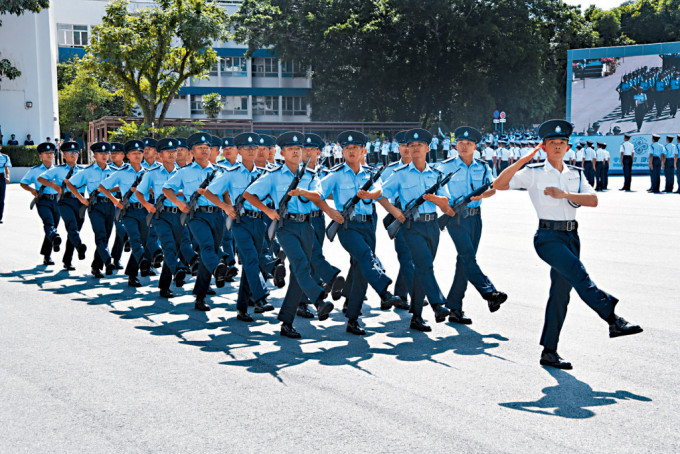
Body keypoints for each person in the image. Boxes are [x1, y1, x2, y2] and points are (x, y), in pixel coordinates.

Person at [493, 119, 643, 369]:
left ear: (568, 146)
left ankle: (549, 352)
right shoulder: (533, 173)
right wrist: (523, 160)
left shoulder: (576, 174)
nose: (558, 147)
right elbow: (499, 185)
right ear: (544, 146)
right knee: (579, 274)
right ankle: (613, 318)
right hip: (548, 238)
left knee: (561, 294)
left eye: (562, 143)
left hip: (572, 237)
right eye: (553, 143)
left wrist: (565, 195)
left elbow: (593, 200)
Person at [243, 131, 335, 338]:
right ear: (282, 153)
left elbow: (319, 195)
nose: (296, 152)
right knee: (301, 265)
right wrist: (267, 211)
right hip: (286, 227)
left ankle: (286, 322)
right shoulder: (274, 175)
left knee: (298, 276)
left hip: (307, 226)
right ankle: (320, 301)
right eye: (291, 149)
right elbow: (248, 194)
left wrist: (302, 192)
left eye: (299, 149)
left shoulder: (310, 175)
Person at [379, 128, 455, 331]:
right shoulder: (399, 174)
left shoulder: (437, 175)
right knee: (424, 265)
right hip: (411, 227)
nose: (415, 149)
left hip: (432, 225)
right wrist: (396, 212)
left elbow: (448, 205)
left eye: (419, 145)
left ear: (428, 148)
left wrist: (436, 199)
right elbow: (381, 195)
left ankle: (417, 317)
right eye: (411, 146)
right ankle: (438, 304)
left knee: (424, 268)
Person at [437, 126, 507, 324]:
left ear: (476, 146)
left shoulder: (483, 166)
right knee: (467, 256)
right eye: (460, 143)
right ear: (456, 145)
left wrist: (481, 195)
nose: (464, 147)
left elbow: (492, 189)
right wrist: (448, 205)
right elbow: (440, 190)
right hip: (456, 217)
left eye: (468, 144)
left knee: (465, 261)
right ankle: (489, 292)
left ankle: (454, 307)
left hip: (476, 217)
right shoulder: (446, 166)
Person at [203, 132, 274, 320]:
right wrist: (226, 206)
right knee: (250, 259)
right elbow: (209, 193)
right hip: (240, 221)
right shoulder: (231, 174)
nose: (251, 151)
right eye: (246, 148)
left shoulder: (265, 174)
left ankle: (242, 308)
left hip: (260, 221)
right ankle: (260, 298)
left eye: (253, 148)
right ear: (239, 151)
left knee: (252, 263)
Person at [163, 133, 227, 312]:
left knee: (211, 252)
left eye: (207, 147)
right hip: (197, 215)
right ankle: (218, 269)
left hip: (217, 215)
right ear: (192, 151)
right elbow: (167, 189)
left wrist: (229, 208)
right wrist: (180, 205)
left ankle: (200, 295)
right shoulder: (184, 172)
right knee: (206, 246)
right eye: (200, 148)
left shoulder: (219, 171)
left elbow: (226, 193)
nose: (205, 150)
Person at [99, 140, 152, 288]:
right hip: (129, 211)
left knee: (144, 241)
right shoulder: (120, 174)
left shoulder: (148, 174)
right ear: (128, 155)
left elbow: (155, 190)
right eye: (134, 153)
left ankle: (132, 272)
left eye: (140, 153)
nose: (138, 156)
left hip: (145, 211)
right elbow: (102, 187)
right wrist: (115, 201)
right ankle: (140, 265)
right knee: (135, 239)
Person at [65, 142, 116, 278]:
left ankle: (96, 266)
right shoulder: (87, 171)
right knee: (101, 236)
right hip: (95, 206)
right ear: (94, 156)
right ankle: (108, 261)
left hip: (110, 206)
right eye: (101, 153)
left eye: (106, 153)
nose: (105, 156)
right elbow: (70, 183)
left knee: (107, 236)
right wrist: (82, 199)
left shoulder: (113, 171)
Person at [379, 131, 414, 310]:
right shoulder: (389, 170)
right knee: (407, 257)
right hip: (398, 217)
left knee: (410, 257)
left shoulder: (421, 168)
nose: (407, 150)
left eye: (410, 146)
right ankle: (414, 293)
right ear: (398, 148)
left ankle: (401, 295)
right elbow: (382, 196)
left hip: (416, 219)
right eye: (403, 146)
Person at [37, 141, 86, 270]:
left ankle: (67, 260)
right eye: (70, 153)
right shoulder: (57, 170)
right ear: (64, 155)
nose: (73, 155)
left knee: (74, 232)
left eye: (76, 152)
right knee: (72, 226)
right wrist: (54, 186)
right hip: (65, 201)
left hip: (80, 202)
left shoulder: (83, 170)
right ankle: (80, 246)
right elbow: (41, 179)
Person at [19, 142, 61, 265]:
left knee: (53, 228)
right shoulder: (34, 170)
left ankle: (47, 255)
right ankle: (53, 242)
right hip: (42, 200)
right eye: (46, 153)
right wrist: (32, 190)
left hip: (57, 200)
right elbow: (23, 183)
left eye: (51, 153)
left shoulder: (59, 170)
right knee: (49, 223)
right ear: (40, 156)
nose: (50, 155)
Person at [0, 143, 11, 223]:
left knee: (1, 198)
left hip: (1, 178)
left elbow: (6, 168)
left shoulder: (5, 157)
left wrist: (7, 177)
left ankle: (0, 217)